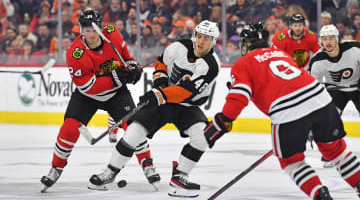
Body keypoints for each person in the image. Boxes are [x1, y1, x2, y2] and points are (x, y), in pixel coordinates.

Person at [204, 22, 360, 199]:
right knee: (337, 152)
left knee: (291, 162)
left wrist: (222, 121)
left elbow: (238, 99)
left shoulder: (243, 63)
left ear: (246, 44)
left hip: (287, 111)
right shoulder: (281, 54)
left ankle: (320, 195)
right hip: (320, 99)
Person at [88, 20, 221, 197]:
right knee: (134, 132)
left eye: (207, 38)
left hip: (186, 106)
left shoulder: (211, 65)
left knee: (202, 137)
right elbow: (161, 64)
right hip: (163, 101)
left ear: (214, 42)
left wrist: (159, 95)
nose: (201, 41)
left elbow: (187, 91)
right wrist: (160, 84)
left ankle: (180, 176)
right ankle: (110, 172)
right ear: (194, 35)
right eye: (199, 36)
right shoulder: (178, 47)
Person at [40, 10, 160, 193]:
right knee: (69, 128)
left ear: (101, 27)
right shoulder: (76, 53)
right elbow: (88, 87)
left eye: (94, 29)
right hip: (87, 97)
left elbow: (125, 56)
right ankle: (56, 168)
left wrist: (132, 66)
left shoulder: (112, 32)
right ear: (81, 30)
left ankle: (147, 163)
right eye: (86, 30)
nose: (91, 34)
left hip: (116, 94)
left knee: (135, 126)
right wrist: (117, 78)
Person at [309, 24, 360, 168]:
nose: (328, 42)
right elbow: (314, 87)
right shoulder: (317, 60)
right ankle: (330, 154)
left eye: (331, 38)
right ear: (321, 41)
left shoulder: (354, 49)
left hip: (357, 86)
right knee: (328, 121)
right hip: (336, 91)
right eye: (325, 39)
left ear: (337, 39)